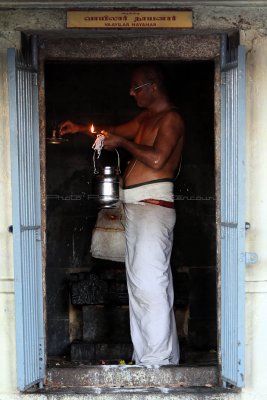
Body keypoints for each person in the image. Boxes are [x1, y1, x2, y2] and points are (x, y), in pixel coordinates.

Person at [59, 64, 185, 366]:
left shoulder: (171, 119)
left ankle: (157, 360)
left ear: (153, 87)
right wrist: (80, 128)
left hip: (153, 208)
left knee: (149, 285)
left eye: (136, 87)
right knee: (142, 284)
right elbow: (112, 133)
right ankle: (150, 357)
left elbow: (156, 158)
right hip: (136, 208)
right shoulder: (146, 117)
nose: (131, 93)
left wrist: (125, 145)